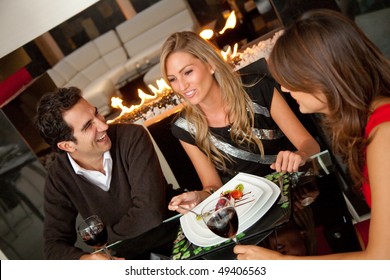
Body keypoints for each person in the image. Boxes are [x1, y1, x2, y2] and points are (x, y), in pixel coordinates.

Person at [234, 9, 390, 259]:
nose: (284, 88)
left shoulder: (384, 135)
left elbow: (381, 261)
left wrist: (284, 265)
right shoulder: (372, 121)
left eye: (289, 78)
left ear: (320, 75)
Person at [159, 31, 320, 212]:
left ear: (210, 64)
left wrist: (301, 154)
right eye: (173, 79)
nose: (182, 86)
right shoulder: (185, 127)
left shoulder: (258, 89)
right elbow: (212, 187)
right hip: (248, 210)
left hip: (297, 195)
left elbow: (309, 145)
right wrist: (199, 197)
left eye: (187, 72)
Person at [34, 87, 167, 260]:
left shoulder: (132, 137)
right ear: (67, 146)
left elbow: (150, 213)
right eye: (89, 125)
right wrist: (87, 260)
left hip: (172, 237)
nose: (103, 125)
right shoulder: (58, 177)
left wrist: (103, 243)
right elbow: (53, 246)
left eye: (96, 114)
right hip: (124, 259)